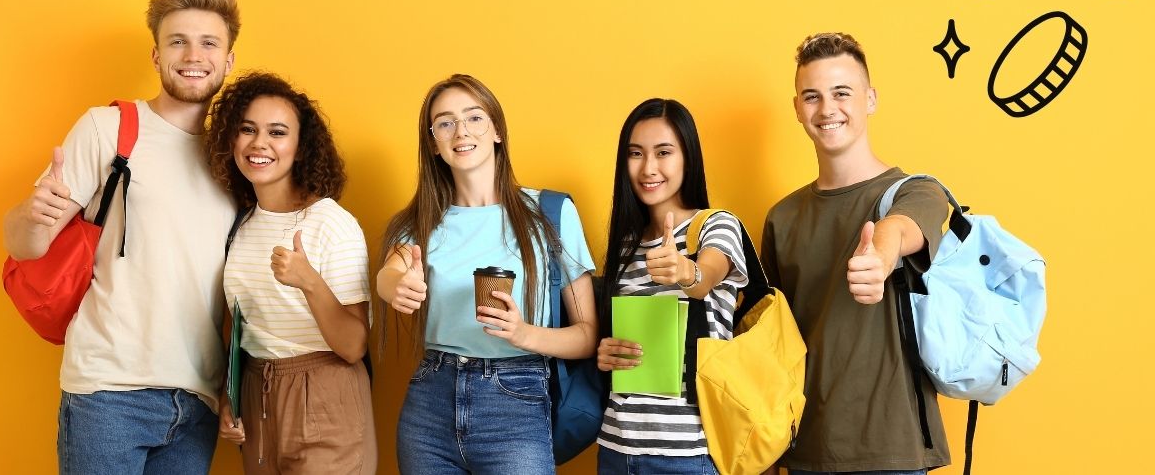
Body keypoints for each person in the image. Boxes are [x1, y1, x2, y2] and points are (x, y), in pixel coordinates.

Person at [2, 0, 241, 474]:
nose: (193, 54)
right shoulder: (109, 128)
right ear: (156, 55)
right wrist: (30, 215)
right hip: (108, 392)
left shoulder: (236, 156)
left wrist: (231, 392)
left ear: (228, 59)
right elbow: (26, 245)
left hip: (196, 399)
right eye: (178, 41)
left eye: (208, 42)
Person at [376, 73, 598, 474]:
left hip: (518, 401)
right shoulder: (419, 222)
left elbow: (586, 336)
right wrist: (396, 285)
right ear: (433, 143)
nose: (461, 131)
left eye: (474, 117)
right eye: (445, 122)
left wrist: (522, 333)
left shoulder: (551, 214)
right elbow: (389, 273)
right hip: (431, 402)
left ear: (496, 129)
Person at [761, 32, 951, 474]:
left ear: (870, 99)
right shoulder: (781, 218)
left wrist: (881, 257)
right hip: (804, 446)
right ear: (797, 109)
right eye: (812, 96)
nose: (827, 109)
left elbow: (902, 229)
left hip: (892, 447)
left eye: (842, 93)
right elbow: (772, 342)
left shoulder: (917, 191)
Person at [204, 72, 376, 474]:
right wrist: (229, 394)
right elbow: (235, 322)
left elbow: (354, 346)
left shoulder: (331, 223)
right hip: (257, 393)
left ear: (300, 149)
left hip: (326, 393)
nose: (259, 143)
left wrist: (308, 281)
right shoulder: (241, 225)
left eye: (277, 132)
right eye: (247, 129)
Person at [594, 98, 749, 475]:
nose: (648, 168)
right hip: (617, 447)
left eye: (664, 152)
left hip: (690, 453)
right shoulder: (625, 244)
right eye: (636, 153)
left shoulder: (716, 226)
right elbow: (622, 345)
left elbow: (707, 275)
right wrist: (607, 354)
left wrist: (685, 270)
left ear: (688, 158)